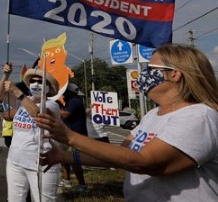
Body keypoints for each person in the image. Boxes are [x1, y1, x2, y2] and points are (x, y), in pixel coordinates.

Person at [36, 43, 218, 201]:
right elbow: (121, 155)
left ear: (174, 75)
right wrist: (64, 156)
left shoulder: (199, 117)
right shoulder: (153, 114)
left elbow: (146, 162)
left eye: (150, 68)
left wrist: (70, 137)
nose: (143, 74)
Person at [0, 62, 62, 202]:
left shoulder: (52, 105)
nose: (36, 84)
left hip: (41, 163)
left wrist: (17, 92)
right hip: (15, 161)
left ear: (48, 87)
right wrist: (6, 76)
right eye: (32, 81)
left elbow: (38, 114)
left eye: (40, 81)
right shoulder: (25, 100)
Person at [59, 83, 87, 192]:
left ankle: (82, 184)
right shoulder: (71, 101)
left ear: (69, 92)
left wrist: (54, 109)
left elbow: (65, 114)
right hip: (67, 134)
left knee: (75, 161)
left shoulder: (75, 101)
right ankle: (66, 180)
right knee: (64, 158)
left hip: (76, 135)